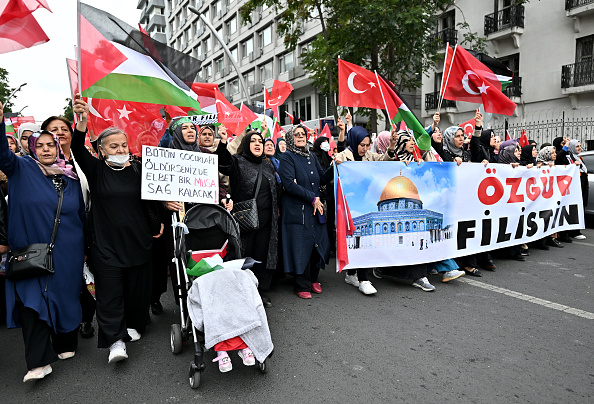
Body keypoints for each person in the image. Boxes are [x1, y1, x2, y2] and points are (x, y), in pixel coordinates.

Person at [70, 96, 165, 364]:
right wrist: (82, 121)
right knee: (110, 295)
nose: (120, 148)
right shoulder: (96, 170)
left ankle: (134, 324)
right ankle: (115, 342)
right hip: (106, 246)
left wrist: (164, 206)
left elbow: (153, 196)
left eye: (123, 144)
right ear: (101, 150)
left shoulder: (138, 168)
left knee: (138, 291)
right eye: (113, 145)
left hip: (138, 242)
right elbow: (77, 147)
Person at [0, 102, 85, 382]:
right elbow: (2, 154)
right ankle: (37, 362)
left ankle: (65, 341)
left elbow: (80, 214)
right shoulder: (21, 168)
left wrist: (85, 251)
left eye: (52, 145)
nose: (47, 149)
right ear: (32, 148)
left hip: (68, 250)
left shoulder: (69, 176)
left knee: (65, 296)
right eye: (41, 145)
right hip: (29, 251)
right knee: (31, 301)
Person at [215, 127, 278, 308]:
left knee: (263, 254)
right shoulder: (237, 161)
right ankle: (243, 291)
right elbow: (222, 164)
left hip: (267, 220)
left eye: (260, 141)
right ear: (245, 144)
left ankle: (261, 290)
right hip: (246, 219)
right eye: (253, 141)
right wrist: (223, 142)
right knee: (245, 254)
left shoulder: (267, 164)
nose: (257, 144)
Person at [335, 126, 396, 294]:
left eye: (368, 145)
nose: (365, 148)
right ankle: (354, 274)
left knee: (364, 239)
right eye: (362, 145)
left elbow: (386, 162)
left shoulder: (370, 156)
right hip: (349, 206)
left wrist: (391, 146)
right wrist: (337, 165)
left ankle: (362, 278)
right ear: (354, 142)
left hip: (365, 203)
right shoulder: (342, 157)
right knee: (354, 239)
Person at [279, 124, 335, 298]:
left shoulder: (311, 156)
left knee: (316, 244)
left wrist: (334, 166)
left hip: (315, 209)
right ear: (290, 138)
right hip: (298, 210)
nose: (301, 137)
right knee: (300, 246)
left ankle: (313, 278)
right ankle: (301, 284)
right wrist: (312, 198)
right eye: (297, 135)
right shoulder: (287, 157)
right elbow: (289, 184)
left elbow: (322, 179)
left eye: (303, 134)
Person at [567, 140, 588, 240]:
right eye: (577, 146)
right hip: (576, 186)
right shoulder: (570, 158)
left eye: (580, 146)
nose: (579, 148)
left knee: (582, 206)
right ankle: (574, 232)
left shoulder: (579, 158)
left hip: (583, 186)